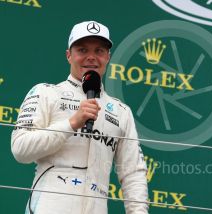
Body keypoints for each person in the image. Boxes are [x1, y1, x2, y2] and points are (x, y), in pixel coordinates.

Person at [11, 21, 148, 214]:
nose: (91, 57)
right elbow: (20, 149)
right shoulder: (45, 92)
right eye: (82, 50)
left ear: (108, 57)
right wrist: (71, 123)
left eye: (99, 51)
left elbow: (133, 172)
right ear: (69, 55)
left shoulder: (121, 111)